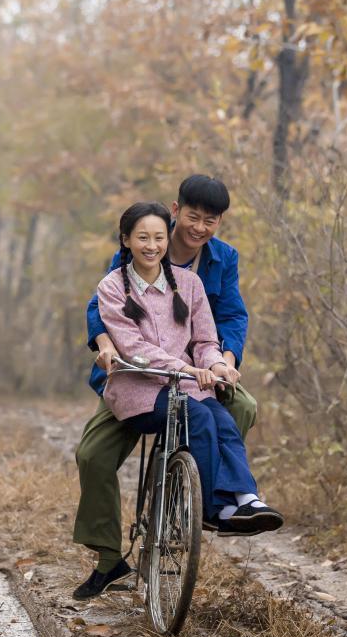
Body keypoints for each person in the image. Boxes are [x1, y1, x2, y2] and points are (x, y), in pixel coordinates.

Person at [72, 178, 262, 600]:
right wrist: (102, 342)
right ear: (176, 211)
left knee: (241, 408)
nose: (199, 228)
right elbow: (99, 308)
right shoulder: (140, 244)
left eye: (209, 221)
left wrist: (224, 361)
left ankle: (196, 498)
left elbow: (230, 315)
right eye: (192, 217)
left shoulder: (220, 260)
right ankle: (108, 557)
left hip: (200, 369)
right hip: (137, 375)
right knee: (92, 454)